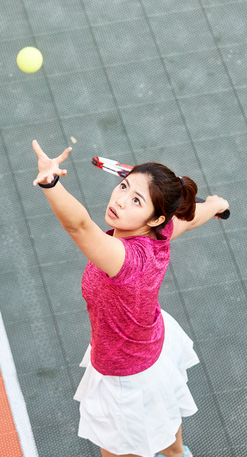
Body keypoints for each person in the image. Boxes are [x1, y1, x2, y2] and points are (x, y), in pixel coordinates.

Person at [31, 140, 229, 457]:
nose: (120, 201)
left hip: (126, 376)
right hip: (152, 346)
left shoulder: (124, 259)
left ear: (154, 219)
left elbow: (79, 226)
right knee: (168, 430)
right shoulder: (160, 233)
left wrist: (51, 184)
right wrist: (215, 205)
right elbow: (188, 219)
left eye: (136, 200)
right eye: (123, 187)